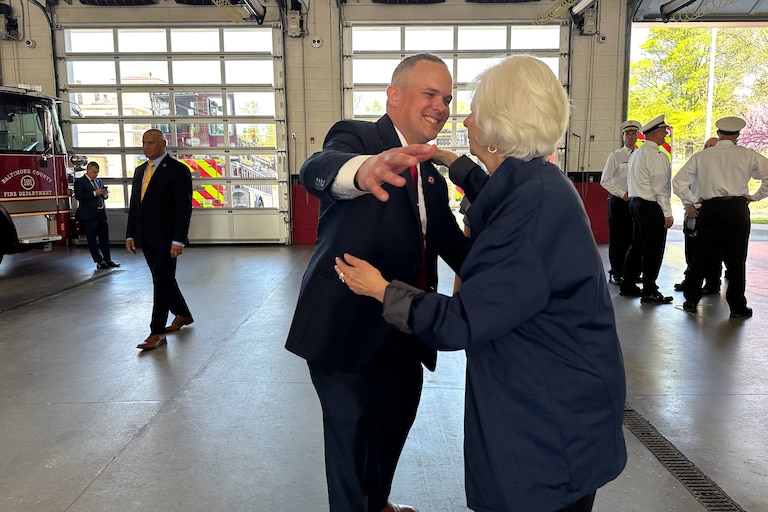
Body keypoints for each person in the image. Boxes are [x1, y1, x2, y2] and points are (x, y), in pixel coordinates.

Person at [334, 55, 627, 512]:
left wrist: (381, 289)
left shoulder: (531, 213)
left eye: (468, 108)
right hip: (557, 402)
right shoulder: (540, 184)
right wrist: (456, 165)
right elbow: (499, 194)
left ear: (498, 124)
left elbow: (460, 322)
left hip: (546, 428)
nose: (461, 117)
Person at [285, 54, 469, 512]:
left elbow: (447, 240)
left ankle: (378, 503)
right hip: (345, 328)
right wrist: (362, 172)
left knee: (395, 423)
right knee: (351, 445)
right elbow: (319, 167)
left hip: (405, 327)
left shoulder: (429, 173)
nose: (441, 106)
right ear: (394, 94)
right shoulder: (359, 138)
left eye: (446, 98)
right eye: (430, 94)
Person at [672, 116, 768, 319]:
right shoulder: (748, 154)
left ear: (718, 134)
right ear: (738, 135)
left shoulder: (702, 156)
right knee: (736, 259)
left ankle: (691, 300)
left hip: (710, 208)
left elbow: (678, 182)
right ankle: (737, 307)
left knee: (701, 255)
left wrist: (694, 199)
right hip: (736, 208)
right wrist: (755, 196)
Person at [126, 128, 194, 350]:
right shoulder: (139, 171)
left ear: (163, 144)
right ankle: (182, 313)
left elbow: (183, 208)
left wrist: (178, 239)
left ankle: (156, 333)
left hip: (167, 239)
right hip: (146, 238)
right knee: (162, 278)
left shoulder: (177, 171)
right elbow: (135, 206)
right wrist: (130, 234)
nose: (147, 147)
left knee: (161, 282)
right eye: (144, 143)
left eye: (152, 143)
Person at [619, 114, 674, 304]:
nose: (666, 133)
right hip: (650, 206)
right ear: (656, 133)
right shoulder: (657, 156)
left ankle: (628, 284)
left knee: (636, 245)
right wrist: (667, 212)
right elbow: (661, 187)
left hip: (636, 203)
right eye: (663, 131)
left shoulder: (637, 153)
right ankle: (649, 289)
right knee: (653, 248)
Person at [674, 137, 722, 294]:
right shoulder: (695, 164)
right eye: (705, 145)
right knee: (691, 249)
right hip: (693, 210)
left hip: (712, 212)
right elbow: (681, 185)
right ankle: (690, 279)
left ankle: (712, 283)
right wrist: (687, 205)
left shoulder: (722, 167)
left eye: (711, 146)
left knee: (713, 251)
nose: (707, 149)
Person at [600, 120, 641, 285]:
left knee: (635, 238)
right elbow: (605, 180)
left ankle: (631, 272)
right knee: (619, 238)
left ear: (638, 135)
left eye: (633, 133)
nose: (630, 136)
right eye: (627, 133)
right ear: (623, 136)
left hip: (637, 202)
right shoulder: (616, 156)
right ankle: (616, 272)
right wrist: (621, 193)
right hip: (619, 202)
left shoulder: (641, 155)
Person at [74, 161, 119, 270]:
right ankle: (99, 261)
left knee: (105, 239)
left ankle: (108, 259)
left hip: (101, 213)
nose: (96, 174)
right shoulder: (80, 182)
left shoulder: (99, 181)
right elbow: (79, 196)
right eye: (94, 172)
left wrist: (105, 194)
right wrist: (94, 193)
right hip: (89, 215)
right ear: (88, 170)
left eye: (97, 172)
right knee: (92, 240)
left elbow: (102, 196)